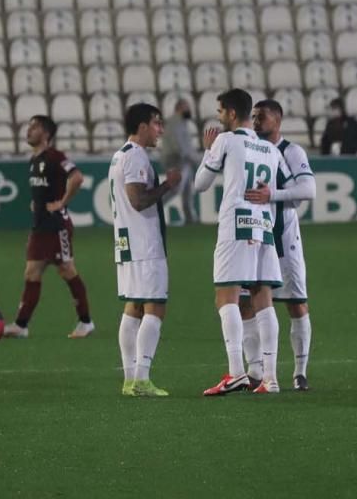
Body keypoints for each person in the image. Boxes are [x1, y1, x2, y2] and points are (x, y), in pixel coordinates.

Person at [193, 88, 291, 396]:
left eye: (220, 111)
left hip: (235, 225)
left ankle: (236, 373)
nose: (219, 117)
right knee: (263, 300)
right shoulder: (270, 149)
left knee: (226, 298)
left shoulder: (225, 140)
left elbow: (200, 184)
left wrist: (209, 151)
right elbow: (286, 186)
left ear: (232, 113)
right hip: (263, 225)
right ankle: (271, 379)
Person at [240, 99, 318, 391]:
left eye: (262, 116)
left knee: (296, 304)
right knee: (246, 302)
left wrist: (271, 195)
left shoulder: (291, 151)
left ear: (278, 119)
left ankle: (300, 371)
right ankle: (255, 370)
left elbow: (307, 190)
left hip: (284, 240)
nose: (257, 121)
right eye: (254, 116)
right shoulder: (251, 151)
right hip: (255, 238)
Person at [110, 103, 183, 397]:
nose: (160, 130)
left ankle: (130, 380)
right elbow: (138, 200)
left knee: (134, 307)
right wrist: (168, 185)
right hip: (145, 246)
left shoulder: (119, 155)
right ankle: (141, 378)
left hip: (127, 244)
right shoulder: (137, 157)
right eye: (156, 123)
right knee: (155, 307)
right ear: (141, 126)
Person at [4, 115, 94, 340]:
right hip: (39, 226)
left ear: (45, 133)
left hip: (56, 226)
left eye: (33, 127)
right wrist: (36, 203)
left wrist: (62, 202)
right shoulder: (33, 161)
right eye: (29, 126)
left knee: (67, 270)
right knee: (31, 272)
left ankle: (86, 322)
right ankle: (21, 325)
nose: (28, 130)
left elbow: (77, 177)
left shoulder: (55, 156)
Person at [159, 99, 201, 225]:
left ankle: (190, 219)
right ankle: (156, 208)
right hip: (176, 159)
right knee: (176, 189)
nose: (189, 111)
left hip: (183, 160)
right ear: (179, 108)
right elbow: (178, 144)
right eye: (187, 108)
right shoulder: (175, 122)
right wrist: (192, 157)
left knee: (187, 190)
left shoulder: (181, 122)